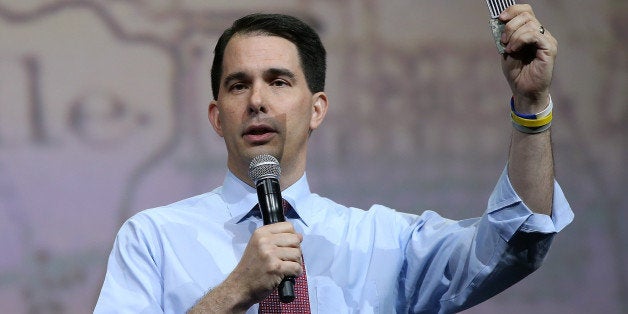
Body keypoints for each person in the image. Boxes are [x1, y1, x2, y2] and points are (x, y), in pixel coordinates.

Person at [95, 4, 573, 313]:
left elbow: (517, 243)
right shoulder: (154, 239)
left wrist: (532, 107)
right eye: (239, 85)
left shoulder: (384, 242)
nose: (257, 100)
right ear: (217, 117)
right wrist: (233, 293)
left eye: (279, 81)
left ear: (317, 109)